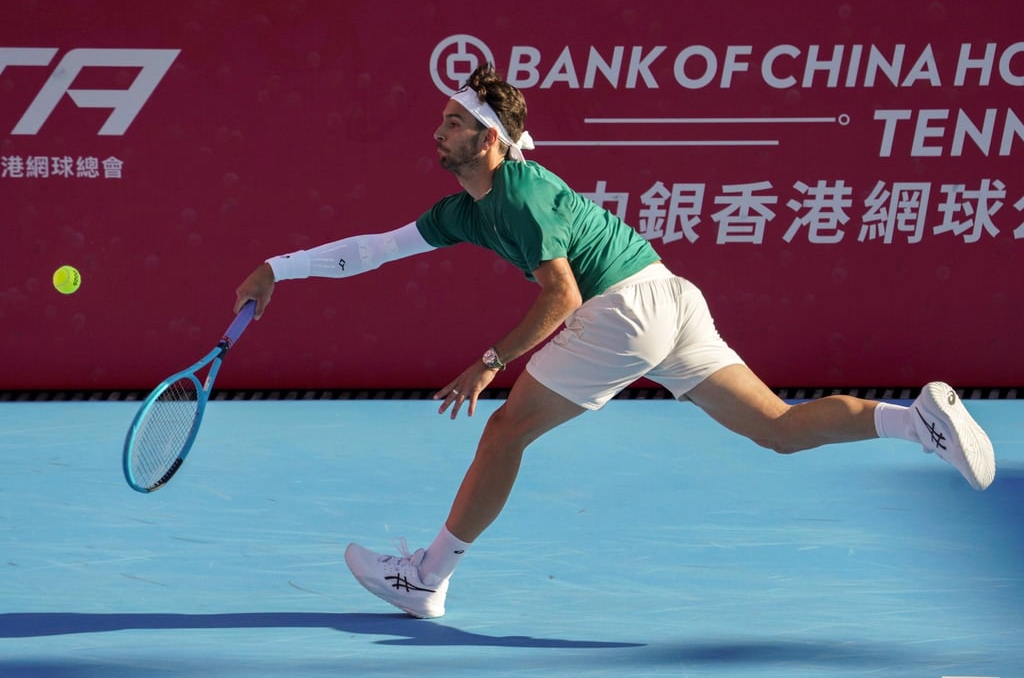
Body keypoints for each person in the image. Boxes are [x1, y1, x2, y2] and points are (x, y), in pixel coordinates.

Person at [234, 63, 996, 619]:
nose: (440, 130)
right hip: (668, 297)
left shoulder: (524, 195)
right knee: (778, 430)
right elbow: (373, 249)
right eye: (442, 119)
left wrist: (491, 362)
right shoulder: (464, 210)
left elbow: (562, 296)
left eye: (456, 121)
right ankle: (914, 420)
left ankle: (427, 576)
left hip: (624, 308)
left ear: (494, 139)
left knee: (503, 432)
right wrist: (279, 267)